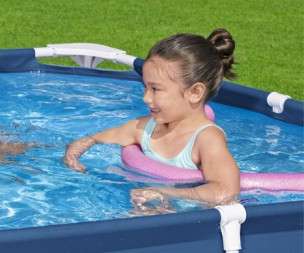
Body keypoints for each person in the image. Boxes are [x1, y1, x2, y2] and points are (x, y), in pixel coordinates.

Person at [63, 29, 240, 210]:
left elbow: (226, 191)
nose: (146, 98)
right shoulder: (146, 128)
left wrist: (164, 192)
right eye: (145, 87)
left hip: (187, 215)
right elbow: (93, 139)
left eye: (155, 89)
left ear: (194, 92)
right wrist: (73, 155)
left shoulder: (207, 139)